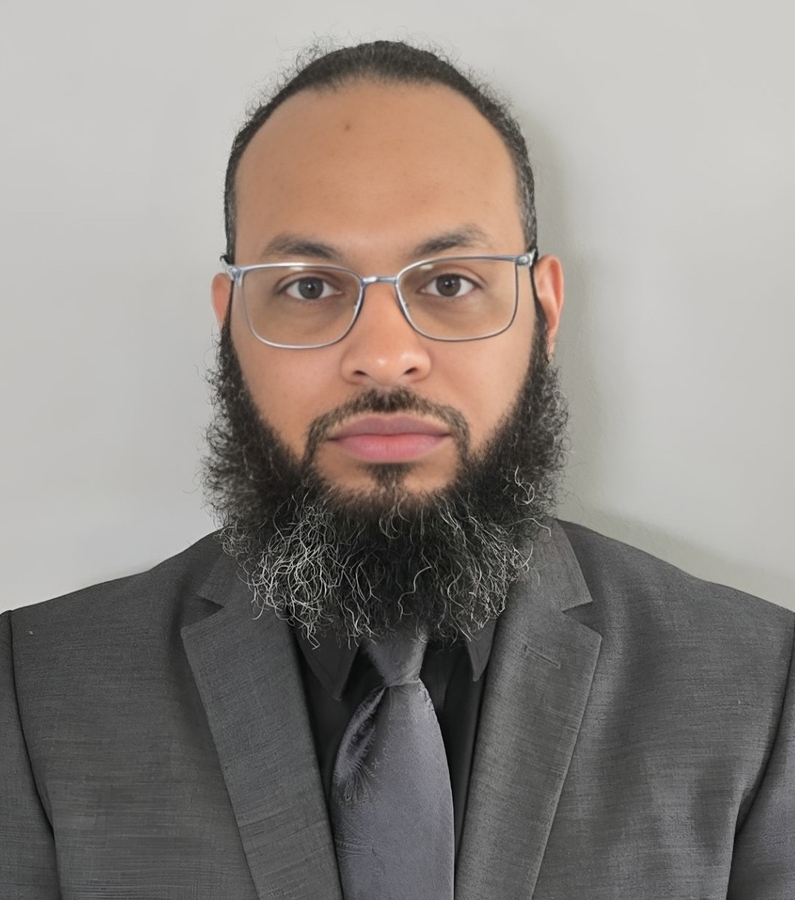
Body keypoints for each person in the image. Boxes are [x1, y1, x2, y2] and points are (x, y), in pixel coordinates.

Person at [1, 40, 793, 899]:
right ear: (230, 323)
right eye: (309, 287)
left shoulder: (762, 691)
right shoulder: (33, 696)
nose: (383, 355)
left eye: (449, 282)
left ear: (543, 311)